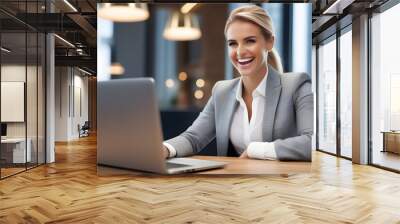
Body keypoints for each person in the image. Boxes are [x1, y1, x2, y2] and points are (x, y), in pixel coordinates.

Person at [163, 5, 313, 161]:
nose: (240, 52)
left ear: (270, 42)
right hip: (237, 184)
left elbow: (310, 142)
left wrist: (255, 150)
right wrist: (164, 149)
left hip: (284, 182)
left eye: (250, 41)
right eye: (232, 43)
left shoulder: (297, 85)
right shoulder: (221, 91)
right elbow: (193, 138)